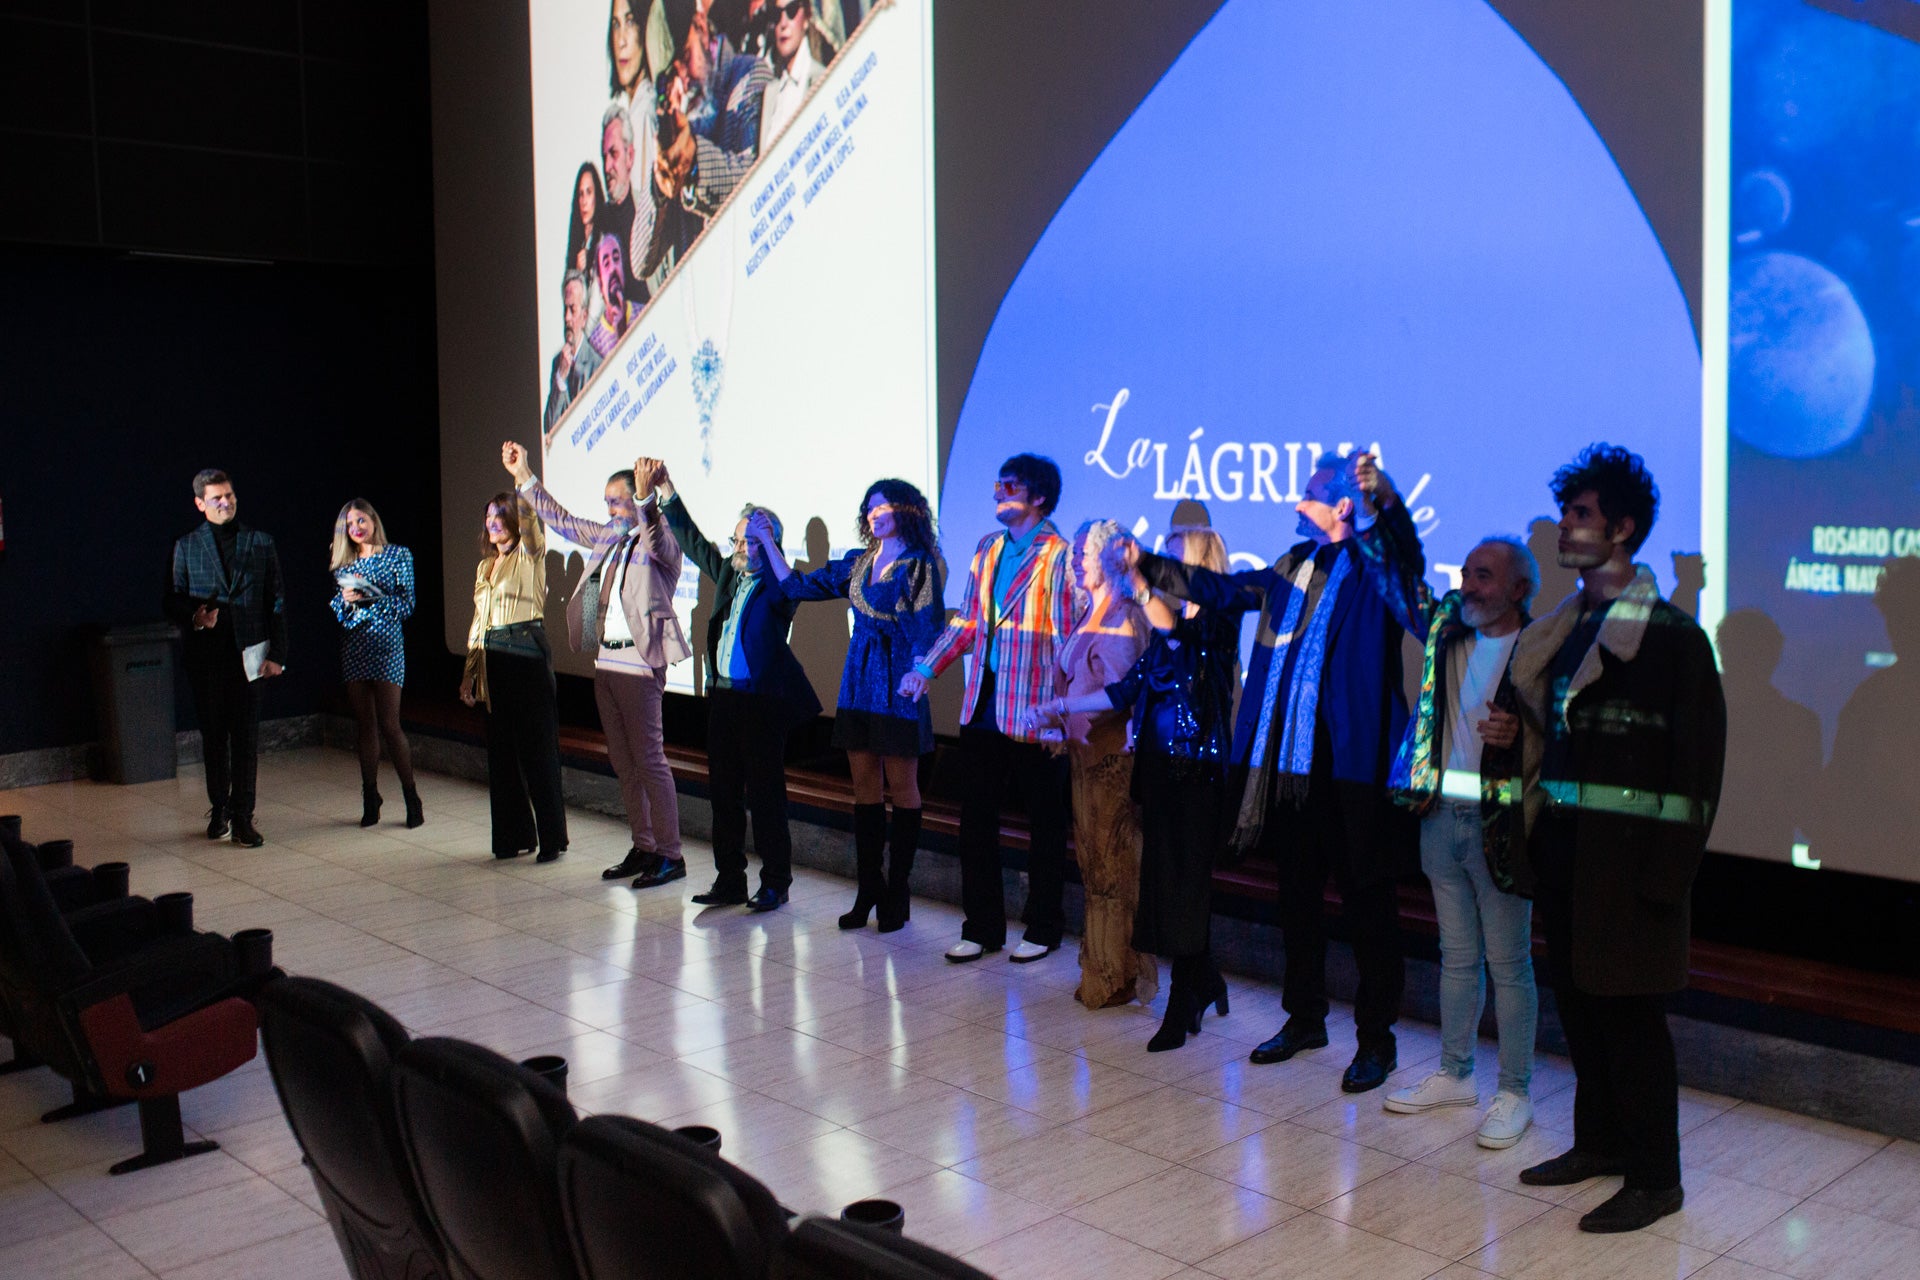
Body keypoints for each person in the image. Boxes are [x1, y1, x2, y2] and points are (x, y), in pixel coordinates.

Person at [1131, 452, 1427, 1092]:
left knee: (1368, 908)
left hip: (1352, 768)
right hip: (1289, 765)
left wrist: (1388, 494)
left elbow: (1409, 568)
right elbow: (1226, 590)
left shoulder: (1378, 566)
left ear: (1344, 505)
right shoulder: (1294, 563)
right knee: (1297, 897)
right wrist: (1149, 567)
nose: (1297, 502)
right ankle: (1305, 1018)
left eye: (1312, 492)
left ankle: (1377, 1040)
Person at [1503, 445, 1725, 1233]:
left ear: (1623, 529)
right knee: (1583, 1011)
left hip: (1632, 870)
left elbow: (1698, 773)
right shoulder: (1565, 630)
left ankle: (1657, 1179)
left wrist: (1666, 881)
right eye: (1567, 512)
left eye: (1582, 514)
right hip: (1567, 854)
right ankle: (1599, 1145)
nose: (1566, 526)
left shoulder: (1671, 640)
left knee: (1630, 1021)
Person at [1037, 516, 1241, 1049]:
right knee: (1164, 882)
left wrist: (1142, 582)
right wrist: (1060, 706)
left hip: (1197, 771)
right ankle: (1206, 976)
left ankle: (1182, 999)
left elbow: (1175, 629)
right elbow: (1123, 692)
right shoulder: (1163, 628)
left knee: (1185, 884)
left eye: (1172, 556)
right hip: (1157, 769)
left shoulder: (1216, 618)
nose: (1159, 564)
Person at [1383, 536, 1540, 1148]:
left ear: (1520, 589)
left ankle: (1515, 1091)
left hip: (1501, 822)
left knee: (1509, 964)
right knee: (1455, 957)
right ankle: (1455, 1074)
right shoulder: (1450, 632)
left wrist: (1522, 730)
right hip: (1440, 811)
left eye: (1485, 576)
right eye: (1467, 572)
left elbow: (1562, 727)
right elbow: (1399, 580)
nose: (1469, 585)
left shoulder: (1539, 646)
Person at [900, 454, 1075, 965]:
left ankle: (1043, 926)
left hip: (1036, 710)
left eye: (1010, 485)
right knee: (975, 819)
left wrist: (1061, 714)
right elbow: (968, 622)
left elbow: (1067, 639)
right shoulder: (987, 548)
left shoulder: (1059, 556)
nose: (998, 492)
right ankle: (982, 927)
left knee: (1045, 823)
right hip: (983, 703)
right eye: (996, 483)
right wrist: (925, 670)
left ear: (1038, 497)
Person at [752, 479, 945, 931]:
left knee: (903, 787)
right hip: (859, 681)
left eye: (885, 508)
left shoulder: (919, 566)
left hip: (898, 682)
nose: (876, 515)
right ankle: (868, 888)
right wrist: (763, 539)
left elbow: (927, 627)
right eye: (871, 509)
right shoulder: (859, 564)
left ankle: (898, 891)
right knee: (863, 787)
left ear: (907, 512)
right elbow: (796, 585)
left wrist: (921, 672)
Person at [504, 442, 689, 887]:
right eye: (607, 501)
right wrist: (525, 473)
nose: (610, 508)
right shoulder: (609, 535)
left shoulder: (661, 540)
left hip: (640, 664)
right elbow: (563, 521)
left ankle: (671, 854)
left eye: (617, 500)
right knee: (623, 763)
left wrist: (651, 497)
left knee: (650, 759)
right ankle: (643, 845)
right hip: (607, 662)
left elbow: (658, 536)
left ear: (637, 498)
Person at [658, 461, 821, 909]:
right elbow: (692, 543)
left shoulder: (780, 584)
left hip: (762, 702)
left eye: (749, 541)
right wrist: (667, 492)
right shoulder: (730, 573)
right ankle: (729, 879)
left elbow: (788, 585)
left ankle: (775, 882)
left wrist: (766, 542)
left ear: (768, 545)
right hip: (725, 697)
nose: (739, 548)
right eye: (737, 540)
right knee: (723, 793)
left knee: (766, 796)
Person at [1038, 519, 1152, 1008]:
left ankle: (1115, 974)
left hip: (1111, 762)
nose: (1076, 558)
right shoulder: (1090, 611)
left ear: (1108, 558)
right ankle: (1102, 968)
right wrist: (1054, 720)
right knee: (1093, 865)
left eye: (1085, 551)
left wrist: (1065, 711)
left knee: (1113, 868)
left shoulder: (1125, 614)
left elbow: (1120, 695)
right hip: (1083, 759)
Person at [166, 469, 287, 848]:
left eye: (230, 495)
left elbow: (277, 600)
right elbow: (172, 598)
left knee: (246, 736)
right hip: (207, 657)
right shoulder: (186, 546)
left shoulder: (261, 542)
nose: (226, 502)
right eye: (217, 498)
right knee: (215, 736)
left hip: (250, 652)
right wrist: (195, 616)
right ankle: (219, 808)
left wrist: (278, 654)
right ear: (200, 503)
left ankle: (243, 816)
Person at [460, 490, 569, 862]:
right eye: (488, 516)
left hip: (526, 655)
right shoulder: (484, 567)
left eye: (499, 516)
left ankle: (552, 837)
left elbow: (533, 527)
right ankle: (514, 836)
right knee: (501, 753)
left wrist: (521, 477)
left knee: (537, 751)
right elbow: (479, 620)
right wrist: (470, 673)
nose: (492, 522)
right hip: (493, 658)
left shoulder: (529, 555)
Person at [328, 499, 422, 830]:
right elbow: (340, 613)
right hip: (356, 646)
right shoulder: (345, 563)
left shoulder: (398, 554)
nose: (356, 528)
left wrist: (371, 597)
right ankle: (371, 797)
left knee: (389, 723)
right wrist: (347, 602)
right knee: (364, 724)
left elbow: (407, 603)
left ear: (373, 519)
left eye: (361, 520)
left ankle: (411, 796)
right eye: (349, 524)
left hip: (387, 647)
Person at [654, 0, 772, 218]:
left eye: (686, 56)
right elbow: (641, 248)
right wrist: (662, 166)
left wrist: (695, 160)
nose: (684, 81)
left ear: (701, 27)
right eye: (672, 78)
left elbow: (757, 178)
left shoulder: (748, 74)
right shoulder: (686, 123)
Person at [758, 0, 833, 143]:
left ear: (806, 17)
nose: (783, 23)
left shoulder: (824, 80)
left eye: (791, 11)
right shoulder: (770, 93)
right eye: (776, 15)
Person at [544, 271, 604, 445]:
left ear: (584, 317)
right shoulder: (558, 363)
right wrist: (560, 378)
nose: (566, 318)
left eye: (572, 309)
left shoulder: (596, 364)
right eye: (565, 309)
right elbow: (549, 426)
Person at [588, 233, 638, 359]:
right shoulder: (593, 347)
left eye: (616, 259)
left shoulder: (644, 312)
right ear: (600, 283)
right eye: (606, 264)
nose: (613, 268)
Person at [563, 161, 608, 296]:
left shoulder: (606, 236)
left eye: (588, 192)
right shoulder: (577, 242)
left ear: (597, 196)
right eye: (581, 194)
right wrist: (577, 273)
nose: (584, 201)